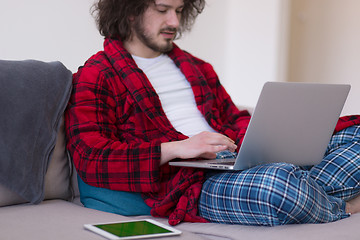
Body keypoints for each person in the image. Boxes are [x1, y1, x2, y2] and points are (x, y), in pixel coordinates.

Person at [65, 0, 360, 226]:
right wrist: (178, 148)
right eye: (163, 9)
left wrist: (262, 142)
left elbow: (234, 118)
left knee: (353, 133)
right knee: (276, 184)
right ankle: (343, 206)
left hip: (234, 158)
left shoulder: (197, 67)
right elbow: (91, 157)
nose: (174, 21)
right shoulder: (98, 74)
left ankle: (301, 185)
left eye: (180, 10)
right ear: (129, 10)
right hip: (192, 180)